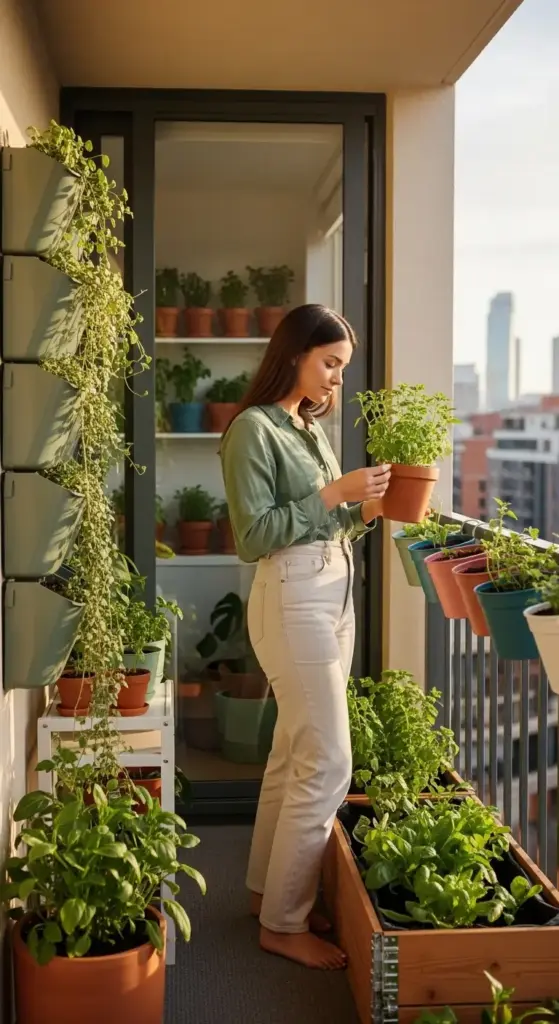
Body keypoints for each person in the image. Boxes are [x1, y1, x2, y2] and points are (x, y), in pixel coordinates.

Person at [220, 304, 391, 970]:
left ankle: (268, 892)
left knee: (295, 752)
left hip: (329, 593)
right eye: (329, 364)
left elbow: (329, 523)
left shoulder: (306, 428)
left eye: (340, 370)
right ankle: (283, 923)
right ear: (293, 353)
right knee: (328, 761)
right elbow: (255, 537)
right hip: (292, 596)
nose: (333, 381)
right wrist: (331, 496)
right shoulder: (251, 431)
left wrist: (364, 508)